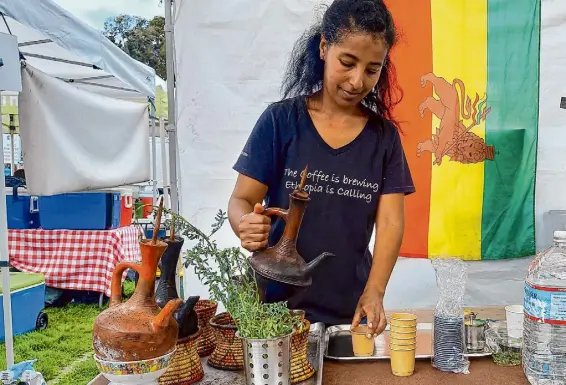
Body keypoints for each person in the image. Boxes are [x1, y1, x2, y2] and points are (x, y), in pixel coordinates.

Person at [228, 0, 415, 337]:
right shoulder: (281, 121)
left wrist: (375, 291)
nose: (358, 80)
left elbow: (390, 221)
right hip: (272, 308)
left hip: (349, 311)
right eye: (348, 62)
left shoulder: (383, 138)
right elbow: (242, 199)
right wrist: (246, 224)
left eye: (372, 69)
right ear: (324, 48)